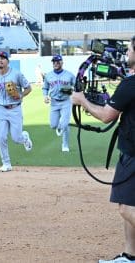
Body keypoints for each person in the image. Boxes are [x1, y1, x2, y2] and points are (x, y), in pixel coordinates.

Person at [72, 37, 135, 263]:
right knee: (129, 204)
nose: (126, 54)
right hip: (130, 152)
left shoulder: (130, 84)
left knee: (127, 209)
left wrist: (82, 100)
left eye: (129, 50)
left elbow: (107, 115)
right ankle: (130, 256)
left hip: (134, 157)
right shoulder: (129, 83)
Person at [0, 51, 33, 172]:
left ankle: (24, 137)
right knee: (0, 137)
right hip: (1, 110)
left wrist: (21, 95)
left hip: (15, 109)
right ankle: (6, 163)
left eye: (3, 58)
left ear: (7, 61)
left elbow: (29, 88)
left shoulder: (16, 74)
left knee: (16, 138)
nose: (0, 60)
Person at [42, 54, 76, 152]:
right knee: (53, 125)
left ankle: (65, 145)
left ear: (62, 62)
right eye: (54, 62)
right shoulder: (48, 75)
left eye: (58, 61)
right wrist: (45, 96)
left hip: (66, 101)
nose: (56, 63)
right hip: (54, 102)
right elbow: (45, 87)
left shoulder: (69, 75)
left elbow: (77, 86)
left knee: (64, 124)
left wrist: (71, 90)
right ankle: (63, 125)